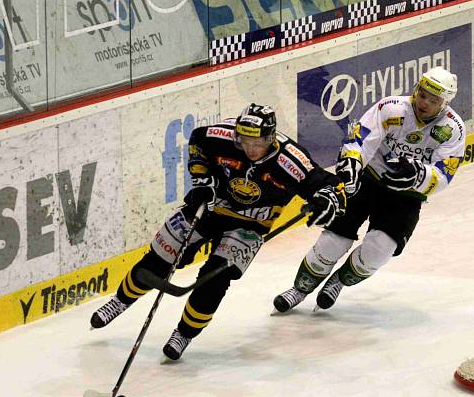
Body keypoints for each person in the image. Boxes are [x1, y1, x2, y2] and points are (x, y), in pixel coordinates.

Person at [90, 104, 346, 360]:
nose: (250, 149)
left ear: (270, 137)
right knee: (159, 259)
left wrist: (325, 201)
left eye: (257, 143)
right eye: (245, 141)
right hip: (209, 208)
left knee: (215, 281)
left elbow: (331, 186)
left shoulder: (290, 161)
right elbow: (198, 141)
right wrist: (201, 180)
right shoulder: (220, 136)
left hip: (249, 227)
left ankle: (184, 333)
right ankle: (121, 301)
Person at [273, 66, 466, 312]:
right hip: (368, 182)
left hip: (405, 198)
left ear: (445, 102)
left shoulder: (453, 129)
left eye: (433, 99)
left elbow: (444, 173)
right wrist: (352, 164)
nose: (424, 102)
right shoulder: (393, 108)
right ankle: (299, 289)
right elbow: (361, 138)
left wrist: (417, 175)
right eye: (422, 93)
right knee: (331, 243)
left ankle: (338, 281)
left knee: (378, 251)